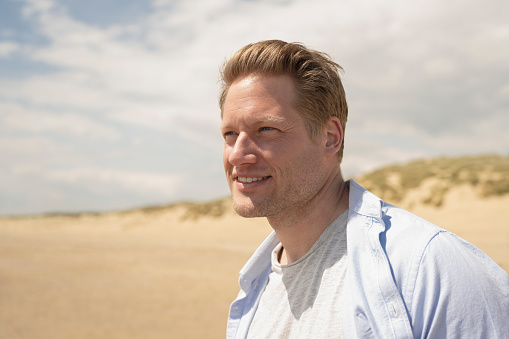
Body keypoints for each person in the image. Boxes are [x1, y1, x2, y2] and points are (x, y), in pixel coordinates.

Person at [218, 40, 509, 339]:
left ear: (330, 137)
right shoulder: (256, 287)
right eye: (229, 134)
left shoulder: (429, 268)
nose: (237, 155)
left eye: (266, 130)